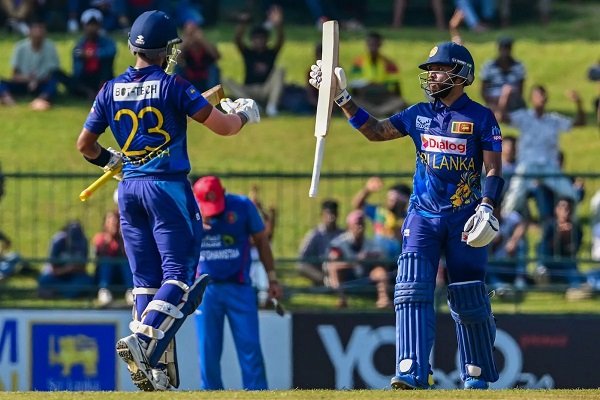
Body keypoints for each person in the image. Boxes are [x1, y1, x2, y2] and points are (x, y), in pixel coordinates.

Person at [76, 10, 260, 391]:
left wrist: (111, 160)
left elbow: (85, 145)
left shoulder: (109, 89)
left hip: (128, 191)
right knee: (179, 276)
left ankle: (154, 367)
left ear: (132, 47)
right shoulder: (174, 86)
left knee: (145, 281)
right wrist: (244, 115)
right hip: (167, 189)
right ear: (164, 50)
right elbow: (224, 127)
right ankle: (143, 343)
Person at [310, 41, 504, 389]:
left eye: (440, 70)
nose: (432, 76)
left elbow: (493, 169)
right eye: (430, 71)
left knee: (468, 296)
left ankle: (475, 373)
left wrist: (487, 205)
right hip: (422, 216)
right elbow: (376, 131)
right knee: (411, 287)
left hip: (465, 219)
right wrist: (341, 97)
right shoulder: (418, 114)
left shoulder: (481, 117)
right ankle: (412, 368)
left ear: (461, 74)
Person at [192, 175, 283, 390]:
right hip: (204, 291)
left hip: (240, 287)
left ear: (223, 193)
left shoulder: (242, 206)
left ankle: (257, 393)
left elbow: (261, 240)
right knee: (207, 350)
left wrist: (272, 278)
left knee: (250, 347)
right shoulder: (187, 209)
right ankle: (210, 394)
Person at [497, 85, 585, 219]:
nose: (541, 98)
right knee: (513, 199)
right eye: (538, 95)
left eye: (543, 94)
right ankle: (502, 225)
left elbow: (580, 123)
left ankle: (572, 226)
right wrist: (505, 96)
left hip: (548, 166)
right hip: (527, 166)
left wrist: (579, 103)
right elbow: (501, 118)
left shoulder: (553, 119)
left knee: (570, 194)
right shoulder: (524, 117)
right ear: (532, 99)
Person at [222, 6, 284, 117]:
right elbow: (237, 40)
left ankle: (272, 107)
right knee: (225, 80)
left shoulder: (270, 53)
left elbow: (280, 40)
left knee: (280, 70)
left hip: (265, 89)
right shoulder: (248, 53)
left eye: (261, 38)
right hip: (248, 90)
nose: (259, 41)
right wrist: (242, 25)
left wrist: (278, 25)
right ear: (252, 40)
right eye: (256, 38)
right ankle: (252, 105)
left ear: (266, 40)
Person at [325, 209, 391, 309]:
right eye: (357, 224)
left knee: (380, 271)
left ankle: (383, 299)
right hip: (347, 276)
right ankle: (341, 299)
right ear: (349, 226)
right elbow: (332, 261)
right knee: (335, 267)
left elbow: (382, 258)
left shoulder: (369, 243)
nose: (360, 227)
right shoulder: (340, 242)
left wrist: (368, 258)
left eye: (362, 224)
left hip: (364, 275)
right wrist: (354, 262)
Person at [57, 8, 117, 100]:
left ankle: (101, 90)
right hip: (85, 78)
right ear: (83, 26)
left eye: (94, 24)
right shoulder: (80, 44)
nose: (91, 27)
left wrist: (94, 54)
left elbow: (112, 51)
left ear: (99, 25)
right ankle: (88, 92)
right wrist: (82, 56)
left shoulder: (106, 42)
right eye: (89, 24)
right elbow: (76, 69)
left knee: (106, 63)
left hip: (101, 76)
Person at [0, 19, 60, 110]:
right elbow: (14, 75)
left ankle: (42, 99)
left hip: (42, 82)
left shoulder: (50, 47)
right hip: (23, 82)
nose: (39, 32)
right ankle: (7, 97)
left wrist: (37, 81)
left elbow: (53, 73)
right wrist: (28, 79)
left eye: (42, 29)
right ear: (30, 31)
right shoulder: (20, 47)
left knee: (54, 81)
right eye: (37, 28)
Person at [351, 177, 410, 267]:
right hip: (379, 261)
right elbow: (357, 204)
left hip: (401, 262)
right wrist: (367, 190)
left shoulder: (409, 218)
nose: (390, 202)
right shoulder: (379, 212)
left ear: (403, 202)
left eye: (394, 200)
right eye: (389, 199)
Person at [348, 32, 407, 118]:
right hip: (365, 97)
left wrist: (380, 86)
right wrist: (367, 84)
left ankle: (374, 112)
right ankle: (381, 112)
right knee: (352, 102)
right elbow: (354, 84)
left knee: (400, 102)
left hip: (384, 97)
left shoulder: (389, 63)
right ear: (366, 44)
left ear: (380, 44)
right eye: (370, 44)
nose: (373, 47)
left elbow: (395, 84)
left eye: (375, 44)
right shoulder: (358, 62)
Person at [38, 220, 95, 299]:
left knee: (88, 280)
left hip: (75, 276)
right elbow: (53, 270)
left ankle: (59, 291)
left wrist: (73, 269)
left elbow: (83, 268)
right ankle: (68, 292)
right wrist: (67, 269)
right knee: (44, 280)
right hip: (57, 275)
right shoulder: (57, 242)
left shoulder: (83, 241)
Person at [297, 199, 344, 286]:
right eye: (328, 213)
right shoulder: (314, 234)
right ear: (322, 215)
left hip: (338, 270)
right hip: (319, 270)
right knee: (302, 267)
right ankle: (324, 283)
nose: (331, 217)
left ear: (337, 215)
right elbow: (302, 259)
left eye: (333, 213)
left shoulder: (343, 235)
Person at [93, 210, 134, 307]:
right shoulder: (100, 238)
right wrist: (108, 241)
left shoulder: (124, 239)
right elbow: (99, 256)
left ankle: (131, 291)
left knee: (124, 262)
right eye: (111, 222)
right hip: (105, 274)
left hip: (122, 274)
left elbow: (127, 255)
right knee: (106, 261)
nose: (114, 225)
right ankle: (104, 291)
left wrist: (121, 241)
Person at [480, 37, 527, 116]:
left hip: (512, 100)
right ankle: (501, 113)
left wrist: (506, 95)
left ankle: (501, 113)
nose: (505, 51)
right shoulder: (489, 66)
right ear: (499, 49)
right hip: (493, 99)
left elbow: (520, 90)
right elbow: (483, 89)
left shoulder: (518, 66)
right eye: (503, 48)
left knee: (507, 90)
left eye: (507, 48)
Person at [174, 20, 220, 94]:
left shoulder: (206, 47)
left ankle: (213, 95)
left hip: (205, 79)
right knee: (178, 68)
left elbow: (217, 56)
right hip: (190, 80)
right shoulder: (185, 49)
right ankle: (179, 95)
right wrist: (185, 42)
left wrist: (202, 41)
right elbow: (177, 59)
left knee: (214, 68)